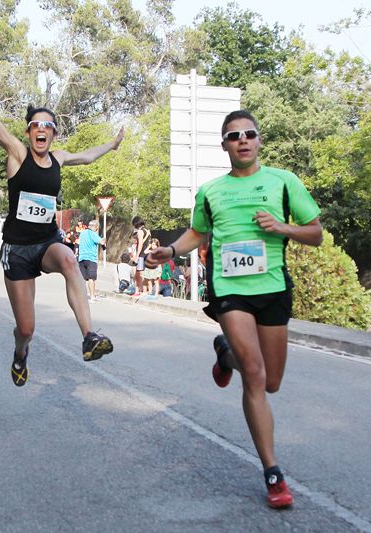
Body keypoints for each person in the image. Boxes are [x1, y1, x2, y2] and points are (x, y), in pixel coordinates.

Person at [146, 110, 323, 509]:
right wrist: (171, 250)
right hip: (230, 290)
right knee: (255, 375)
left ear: (259, 141)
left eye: (249, 134)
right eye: (233, 136)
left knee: (272, 381)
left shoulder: (283, 182)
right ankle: (273, 473)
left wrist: (284, 228)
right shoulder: (211, 191)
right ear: (224, 145)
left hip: (273, 287)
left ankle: (225, 353)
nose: (242, 140)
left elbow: (316, 233)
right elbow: (198, 232)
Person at [0, 42, 123, 387]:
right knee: (27, 328)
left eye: (48, 125)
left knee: (70, 261)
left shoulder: (58, 158)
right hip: (16, 250)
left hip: (46, 243)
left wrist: (113, 145)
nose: (41, 129)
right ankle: (20, 353)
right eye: (35, 125)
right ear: (29, 132)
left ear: (54, 133)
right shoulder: (17, 153)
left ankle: (89, 336)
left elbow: (88, 156)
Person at [78, 219, 106, 301]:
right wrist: (103, 239)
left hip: (81, 258)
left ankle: (81, 296)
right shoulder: (93, 234)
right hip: (91, 259)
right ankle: (92, 296)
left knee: (82, 278)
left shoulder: (82, 233)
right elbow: (102, 243)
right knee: (91, 278)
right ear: (96, 227)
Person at [131, 216, 150, 297]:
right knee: (143, 273)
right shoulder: (148, 231)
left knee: (138, 274)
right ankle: (143, 290)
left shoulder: (140, 232)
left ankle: (139, 291)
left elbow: (140, 244)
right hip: (147, 254)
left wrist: (137, 255)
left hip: (141, 255)